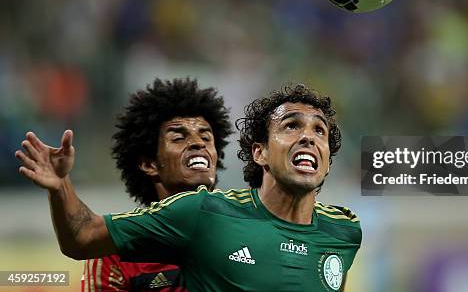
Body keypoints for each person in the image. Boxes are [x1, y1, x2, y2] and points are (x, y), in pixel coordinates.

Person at [16, 84, 361, 291]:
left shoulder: (344, 232)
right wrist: (60, 185)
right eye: (291, 125)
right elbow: (81, 238)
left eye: (320, 131)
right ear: (260, 153)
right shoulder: (205, 216)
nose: (308, 137)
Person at [21, 78, 233, 291]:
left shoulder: (246, 228)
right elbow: (80, 237)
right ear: (149, 164)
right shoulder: (113, 254)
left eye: (206, 137)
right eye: (178, 137)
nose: (198, 143)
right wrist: (60, 186)